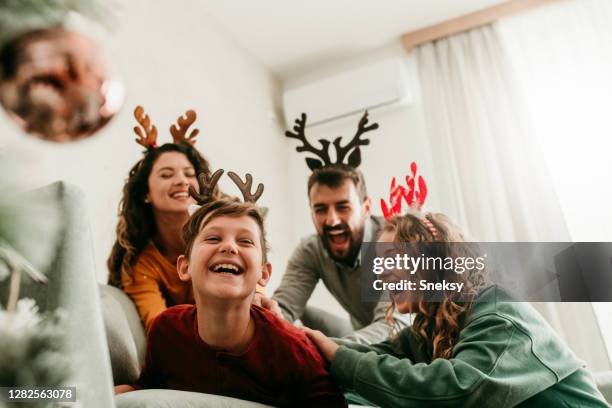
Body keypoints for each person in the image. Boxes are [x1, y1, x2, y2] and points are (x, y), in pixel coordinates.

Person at [305, 210, 610, 407]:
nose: (381, 272)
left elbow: (456, 390)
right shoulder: (427, 332)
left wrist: (338, 358)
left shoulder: (499, 313)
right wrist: (291, 339)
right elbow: (372, 356)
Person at [115, 170, 347, 408]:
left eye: (245, 241)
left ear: (263, 274)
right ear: (185, 267)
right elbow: (145, 388)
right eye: (213, 239)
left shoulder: (292, 350)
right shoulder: (166, 330)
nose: (229, 247)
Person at [107, 106, 270, 330]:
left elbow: (253, 284)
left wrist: (258, 297)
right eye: (166, 174)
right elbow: (160, 329)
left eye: (189, 173)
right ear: (145, 193)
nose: (181, 181)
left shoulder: (230, 236)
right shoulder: (143, 265)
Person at [271, 111, 409, 344]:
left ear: (366, 208)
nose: (332, 220)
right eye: (321, 209)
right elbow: (283, 308)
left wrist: (328, 351)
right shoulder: (310, 250)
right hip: (359, 331)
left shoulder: (394, 240)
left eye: (343, 207)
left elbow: (394, 324)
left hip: (405, 338)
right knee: (284, 315)